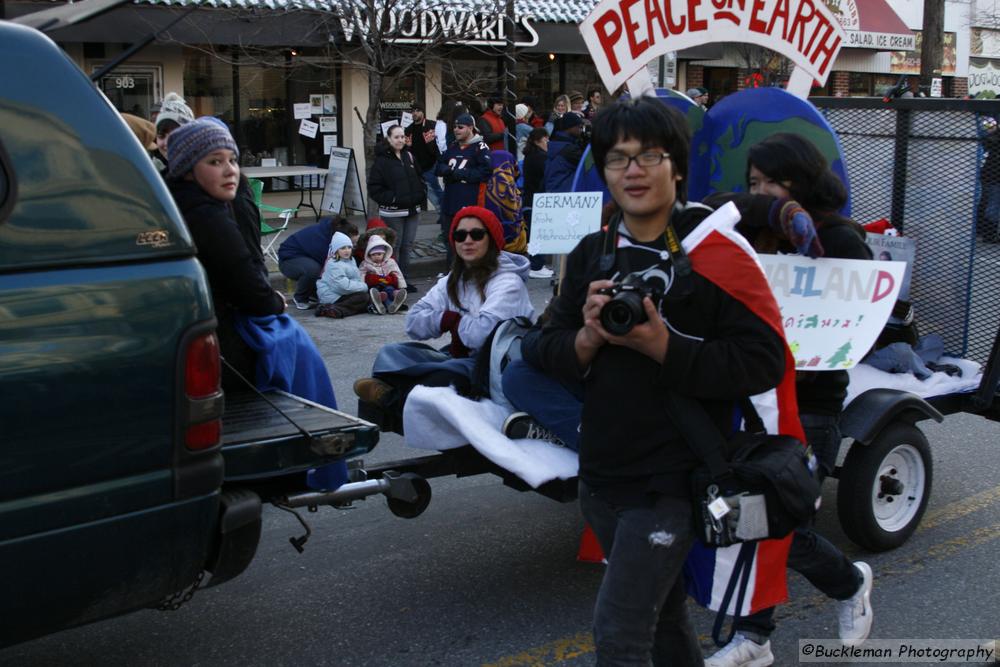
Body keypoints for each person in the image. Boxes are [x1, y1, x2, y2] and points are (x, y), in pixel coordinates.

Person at [532, 97, 788, 665]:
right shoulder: (594, 252)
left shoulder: (715, 252)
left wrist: (664, 346)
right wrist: (585, 340)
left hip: (673, 481)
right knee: (667, 624)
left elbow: (764, 361)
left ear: (676, 167)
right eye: (618, 158)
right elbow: (539, 347)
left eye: (649, 155)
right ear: (603, 171)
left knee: (620, 635)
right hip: (601, 476)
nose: (633, 170)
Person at [702, 133, 875, 667]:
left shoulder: (841, 240)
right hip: (755, 402)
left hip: (811, 406)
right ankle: (754, 637)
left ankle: (848, 583)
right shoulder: (750, 236)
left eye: (768, 183)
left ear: (797, 181)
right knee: (749, 522)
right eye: (752, 184)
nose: (759, 193)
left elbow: (852, 325)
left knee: (783, 526)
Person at [353, 206, 533, 411]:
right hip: (460, 357)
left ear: (491, 239)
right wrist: (444, 319)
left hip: (496, 366)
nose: (467, 240)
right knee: (393, 352)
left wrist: (454, 322)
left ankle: (392, 396)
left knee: (446, 372)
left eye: (476, 234)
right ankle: (396, 392)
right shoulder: (453, 280)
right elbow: (414, 322)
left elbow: (480, 336)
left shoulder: (508, 283)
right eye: (460, 235)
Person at [164, 117, 286, 391]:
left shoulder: (181, 202)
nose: (230, 170)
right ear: (187, 168)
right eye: (215, 162)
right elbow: (245, 281)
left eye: (232, 160)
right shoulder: (206, 214)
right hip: (219, 347)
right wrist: (275, 302)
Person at [367, 124, 426, 285]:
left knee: (408, 246)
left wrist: (421, 194)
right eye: (396, 137)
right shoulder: (381, 161)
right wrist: (393, 198)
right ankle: (394, 281)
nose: (400, 140)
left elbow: (420, 178)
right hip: (393, 213)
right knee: (395, 246)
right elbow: (374, 188)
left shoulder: (409, 156)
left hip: (413, 211)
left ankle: (404, 279)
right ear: (389, 139)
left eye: (402, 137)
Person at [436, 113, 492, 266]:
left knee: (468, 239)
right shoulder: (453, 146)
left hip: (469, 201)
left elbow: (486, 172)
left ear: (470, 128)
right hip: (449, 201)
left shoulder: (480, 147)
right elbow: (439, 165)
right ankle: (452, 272)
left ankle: (471, 272)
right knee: (450, 238)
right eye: (454, 127)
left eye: (460, 127)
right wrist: (445, 170)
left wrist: (463, 174)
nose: (456, 130)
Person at [278, 216, 358, 309]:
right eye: (352, 244)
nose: (353, 248)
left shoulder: (332, 233)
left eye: (354, 245)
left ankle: (313, 294)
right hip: (289, 260)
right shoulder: (322, 243)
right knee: (313, 269)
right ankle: (301, 298)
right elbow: (328, 271)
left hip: (307, 256)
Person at [521, 127, 554, 279]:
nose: (547, 141)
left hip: (531, 199)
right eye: (544, 138)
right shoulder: (539, 157)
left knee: (535, 233)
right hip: (536, 200)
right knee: (537, 234)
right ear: (536, 141)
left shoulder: (531, 155)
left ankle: (537, 264)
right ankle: (536, 265)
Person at [315, 232, 370, 319]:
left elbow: (355, 278)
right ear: (336, 250)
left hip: (343, 293)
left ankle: (333, 309)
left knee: (366, 298)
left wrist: (360, 287)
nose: (347, 250)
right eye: (343, 248)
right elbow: (342, 287)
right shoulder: (334, 264)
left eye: (349, 247)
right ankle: (332, 309)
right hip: (332, 295)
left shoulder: (351, 260)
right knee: (363, 297)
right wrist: (363, 286)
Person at [404, 104, 444, 214]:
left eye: (417, 110)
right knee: (426, 190)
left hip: (431, 164)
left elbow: (440, 143)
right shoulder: (408, 130)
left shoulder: (431, 125)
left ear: (422, 112)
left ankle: (443, 212)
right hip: (416, 167)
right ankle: (442, 212)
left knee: (435, 189)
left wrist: (438, 159)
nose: (414, 113)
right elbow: (407, 149)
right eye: (413, 111)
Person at [360, 234, 407, 315]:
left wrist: (401, 284)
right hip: (375, 285)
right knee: (375, 291)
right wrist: (362, 285)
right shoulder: (365, 264)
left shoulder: (390, 262)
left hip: (387, 283)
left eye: (379, 254)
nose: (376, 257)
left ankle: (393, 299)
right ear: (369, 255)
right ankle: (382, 302)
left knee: (389, 289)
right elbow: (361, 273)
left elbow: (397, 272)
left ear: (384, 254)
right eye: (373, 255)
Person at [152, 92, 195, 175]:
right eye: (161, 135)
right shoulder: (149, 173)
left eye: (176, 135)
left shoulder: (205, 173)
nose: (167, 142)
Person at [543, 112, 586, 194]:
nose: (581, 130)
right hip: (565, 193)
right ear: (569, 127)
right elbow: (587, 163)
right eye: (579, 127)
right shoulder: (569, 149)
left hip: (553, 191)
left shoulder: (555, 144)